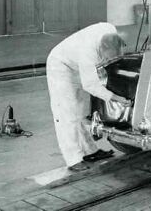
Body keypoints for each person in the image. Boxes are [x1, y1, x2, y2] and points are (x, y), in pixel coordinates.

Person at [46, 22, 130, 171]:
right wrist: (113, 97)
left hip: (75, 63)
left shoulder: (110, 31)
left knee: (80, 112)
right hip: (60, 66)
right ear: (100, 50)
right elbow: (90, 85)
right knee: (67, 113)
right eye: (105, 58)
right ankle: (73, 159)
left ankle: (90, 151)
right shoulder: (88, 52)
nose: (106, 61)